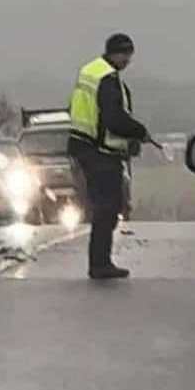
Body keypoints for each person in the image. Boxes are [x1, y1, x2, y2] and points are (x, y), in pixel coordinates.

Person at [67, 33, 150, 279]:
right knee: (107, 208)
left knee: (103, 207)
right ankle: (101, 263)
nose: (127, 61)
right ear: (116, 53)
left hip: (85, 147)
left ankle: (100, 261)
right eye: (126, 55)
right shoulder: (107, 79)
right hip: (99, 152)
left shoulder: (90, 71)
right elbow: (113, 119)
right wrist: (139, 131)